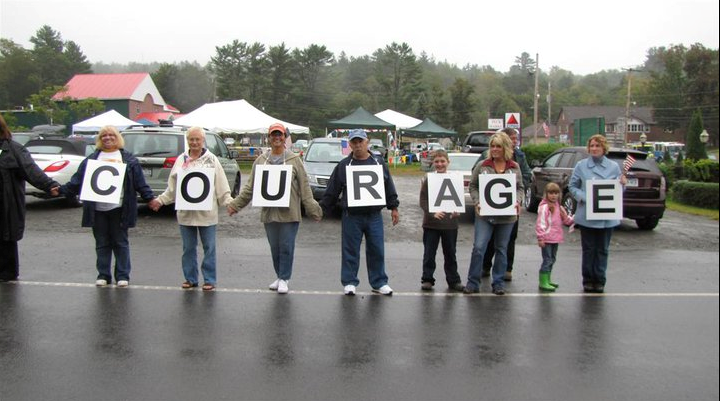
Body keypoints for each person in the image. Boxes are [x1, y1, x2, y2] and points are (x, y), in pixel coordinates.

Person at [227, 123, 322, 294]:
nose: (277, 138)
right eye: (274, 135)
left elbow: (305, 187)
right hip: (269, 212)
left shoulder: (295, 160)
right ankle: (279, 276)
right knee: (274, 247)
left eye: (280, 135)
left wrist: (313, 209)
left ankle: (285, 278)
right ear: (269, 138)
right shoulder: (260, 161)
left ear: (285, 138)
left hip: (290, 213)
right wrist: (235, 205)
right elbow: (250, 188)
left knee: (286, 246)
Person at [59, 125, 154, 287]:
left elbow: (140, 182)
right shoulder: (92, 159)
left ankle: (123, 275)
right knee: (101, 243)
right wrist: (60, 190)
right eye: (104, 136)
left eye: (111, 135)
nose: (107, 138)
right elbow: (77, 180)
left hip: (119, 208)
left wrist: (150, 199)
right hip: (97, 209)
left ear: (117, 138)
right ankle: (103, 274)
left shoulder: (128, 159)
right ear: (99, 139)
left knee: (120, 242)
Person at [148, 127, 232, 291]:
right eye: (191, 139)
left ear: (203, 141)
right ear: (188, 141)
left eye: (197, 139)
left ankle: (209, 279)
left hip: (207, 215)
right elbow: (172, 187)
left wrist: (229, 202)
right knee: (188, 248)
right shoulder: (181, 159)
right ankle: (190, 278)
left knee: (209, 248)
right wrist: (160, 201)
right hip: (185, 215)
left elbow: (221, 185)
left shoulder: (212, 160)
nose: (194, 142)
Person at [320, 129, 399, 296]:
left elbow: (388, 185)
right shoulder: (343, 165)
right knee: (350, 249)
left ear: (367, 142)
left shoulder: (378, 162)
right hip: (351, 216)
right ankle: (349, 282)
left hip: (374, 216)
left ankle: (379, 282)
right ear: (350, 145)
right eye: (354, 142)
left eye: (360, 141)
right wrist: (322, 210)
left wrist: (394, 207)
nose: (357, 145)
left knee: (377, 249)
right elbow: (332, 190)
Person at [0, 114, 60, 282]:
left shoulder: (14, 149)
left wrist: (49, 185)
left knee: (7, 238)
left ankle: (7, 275)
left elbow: (31, 170)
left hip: (7, 203)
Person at [465, 132, 523, 295]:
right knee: (479, 247)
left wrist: (518, 201)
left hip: (507, 217)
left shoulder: (514, 167)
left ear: (505, 147)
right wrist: (477, 201)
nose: (495, 149)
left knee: (502, 248)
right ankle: (472, 282)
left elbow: (520, 188)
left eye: (498, 146)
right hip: (485, 215)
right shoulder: (483, 165)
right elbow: (473, 186)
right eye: (492, 146)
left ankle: (498, 282)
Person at [568, 134, 626, 293]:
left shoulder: (614, 166)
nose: (594, 149)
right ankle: (587, 279)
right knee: (588, 249)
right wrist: (584, 197)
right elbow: (572, 187)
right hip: (587, 215)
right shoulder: (581, 166)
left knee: (602, 249)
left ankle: (599, 279)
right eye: (591, 146)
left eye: (597, 146)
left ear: (604, 148)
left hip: (607, 217)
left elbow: (618, 191)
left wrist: (623, 184)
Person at [482, 127, 531, 281]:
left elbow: (526, 177)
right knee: (489, 238)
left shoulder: (519, 157)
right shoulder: (487, 156)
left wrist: (517, 197)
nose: (515, 141)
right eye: (512, 138)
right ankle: (485, 266)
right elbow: (477, 173)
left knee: (509, 239)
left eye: (516, 138)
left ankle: (507, 269)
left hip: (510, 206)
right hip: (490, 205)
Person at [419, 150, 463, 292]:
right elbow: (423, 200)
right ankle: (427, 279)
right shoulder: (429, 179)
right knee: (429, 254)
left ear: (448, 162)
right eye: (437, 161)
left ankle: (453, 280)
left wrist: (457, 210)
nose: (440, 164)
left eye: (442, 161)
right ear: (433, 163)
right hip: (431, 224)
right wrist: (432, 213)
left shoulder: (455, 179)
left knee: (450, 253)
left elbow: (458, 200)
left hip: (450, 225)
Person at [535, 182, 574, 292]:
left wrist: (574, 219)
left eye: (556, 193)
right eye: (551, 193)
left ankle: (548, 279)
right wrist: (541, 237)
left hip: (555, 238)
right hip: (546, 239)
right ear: (546, 194)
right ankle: (543, 281)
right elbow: (541, 223)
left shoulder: (560, 207)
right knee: (547, 260)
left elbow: (566, 220)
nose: (553, 196)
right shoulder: (544, 207)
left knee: (552, 259)